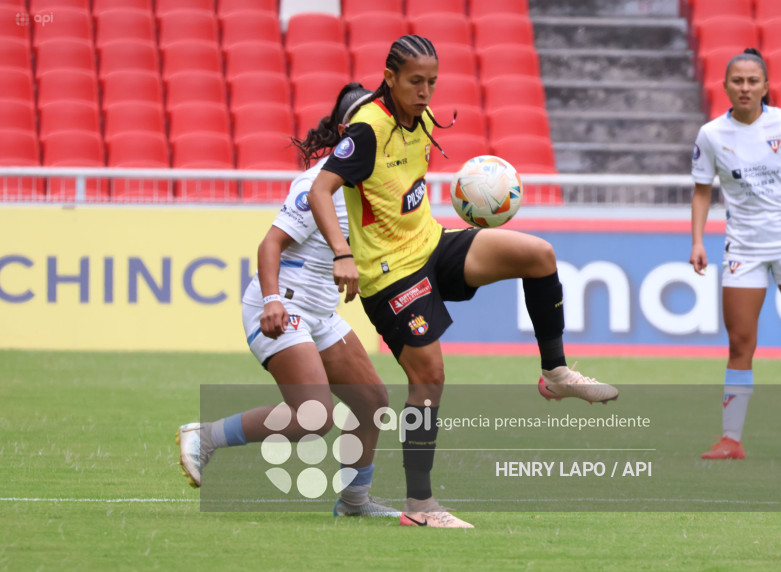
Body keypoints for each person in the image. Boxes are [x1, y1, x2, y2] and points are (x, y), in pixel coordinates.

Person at [308, 35, 618, 529]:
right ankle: (420, 506)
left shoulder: (421, 115)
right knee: (428, 380)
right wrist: (342, 253)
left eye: (432, 81)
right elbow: (321, 190)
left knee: (538, 254)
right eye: (415, 82)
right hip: (390, 275)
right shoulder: (368, 129)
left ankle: (556, 374)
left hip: (431, 245)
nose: (426, 91)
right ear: (389, 79)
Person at [177, 83, 400, 517]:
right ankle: (205, 436)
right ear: (347, 132)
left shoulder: (375, 189)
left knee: (372, 402)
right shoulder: (319, 183)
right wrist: (273, 300)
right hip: (282, 304)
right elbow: (270, 245)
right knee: (312, 417)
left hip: (319, 312)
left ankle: (355, 502)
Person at [690, 48, 781, 460]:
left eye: (753, 80)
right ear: (725, 86)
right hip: (745, 248)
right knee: (740, 342)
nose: (745, 87)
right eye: (738, 80)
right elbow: (702, 191)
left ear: (766, 86)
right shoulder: (711, 134)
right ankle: (731, 440)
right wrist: (698, 241)